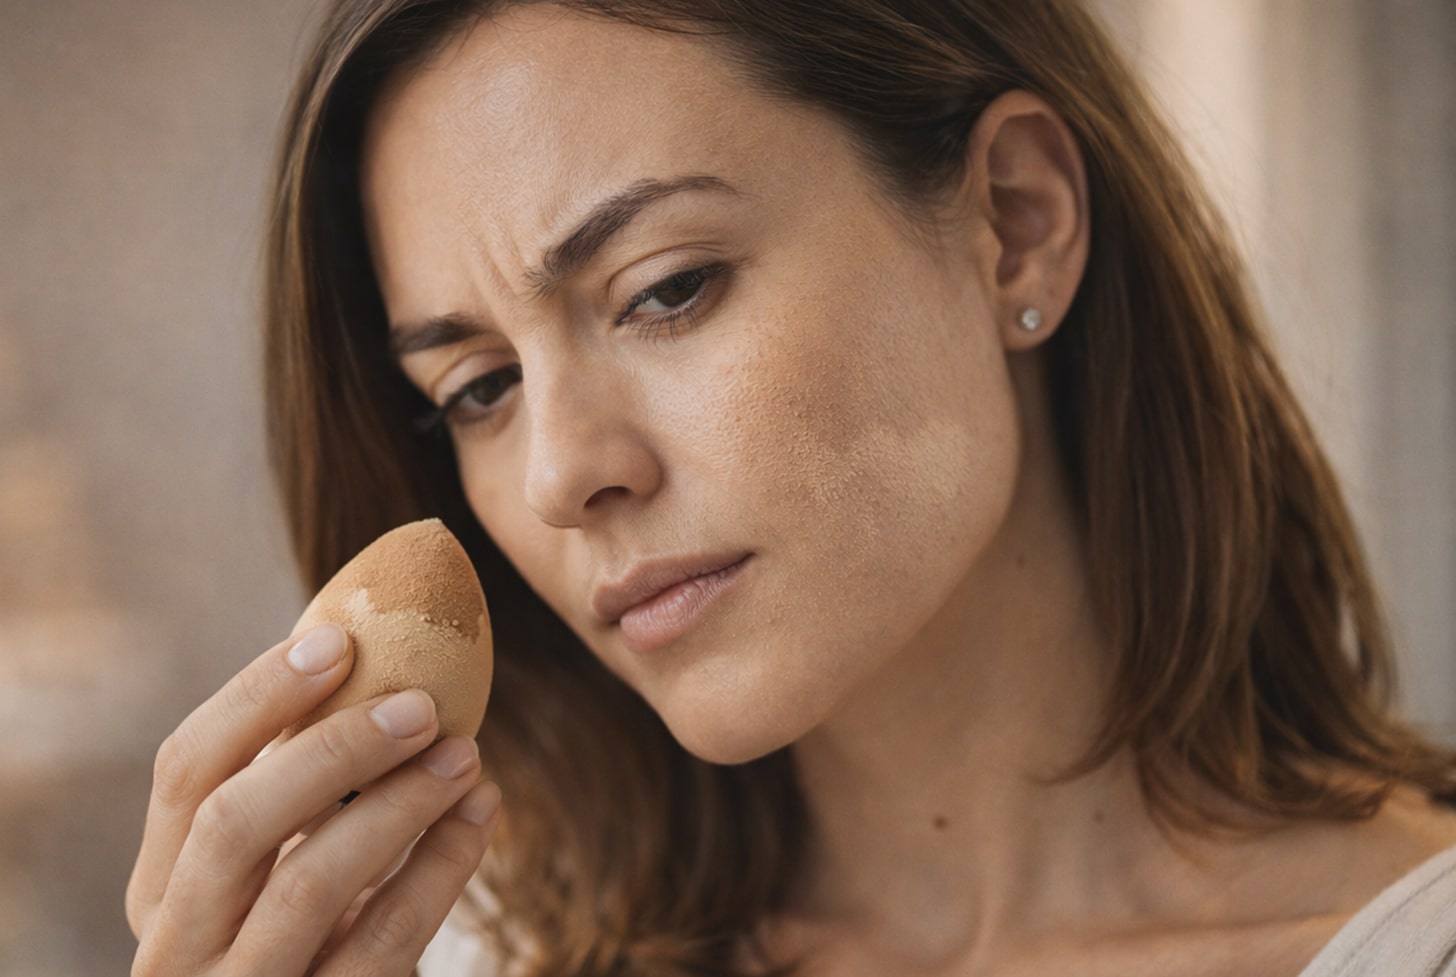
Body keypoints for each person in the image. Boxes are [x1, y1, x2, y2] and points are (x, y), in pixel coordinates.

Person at [124, 1, 1456, 974]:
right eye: (478, 387)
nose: (561, 474)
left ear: (1015, 220)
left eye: (665, 289)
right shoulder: (467, 960)